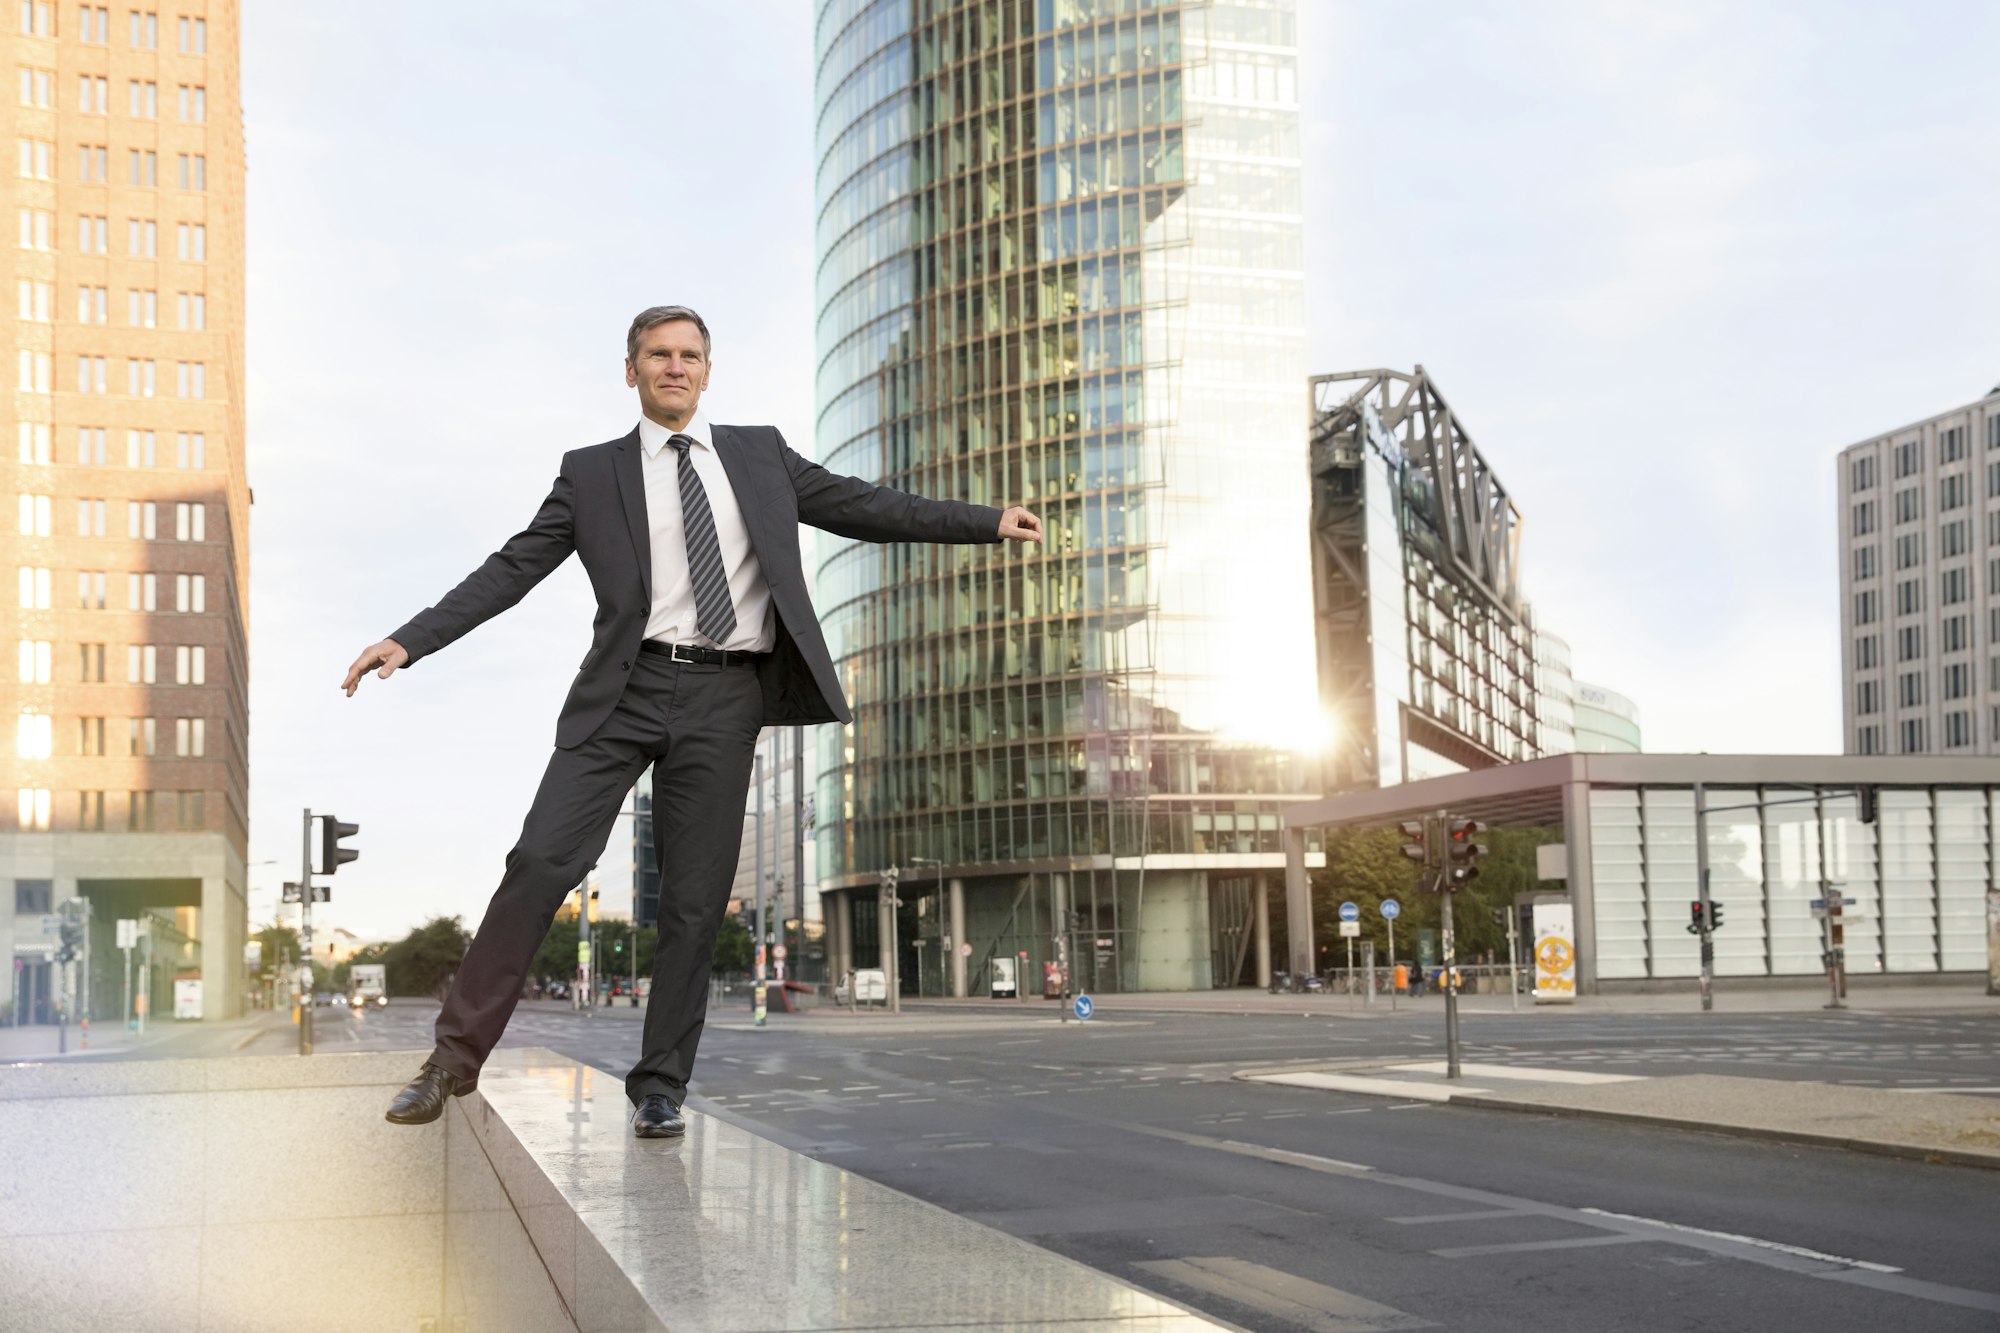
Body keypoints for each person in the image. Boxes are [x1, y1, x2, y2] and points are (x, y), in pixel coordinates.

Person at [345, 305, 1042, 1135]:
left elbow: (865, 504)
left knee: (694, 902)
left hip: (726, 696)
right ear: (632, 369)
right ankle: (449, 1062)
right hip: (625, 689)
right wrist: (410, 639)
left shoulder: (760, 455)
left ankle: (659, 1088)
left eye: (689, 355)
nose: (675, 367)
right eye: (658, 354)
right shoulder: (592, 472)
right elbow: (512, 568)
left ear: (707, 370)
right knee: (539, 859)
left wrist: (984, 521)